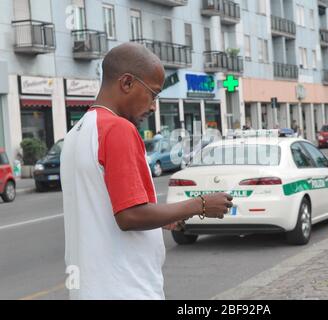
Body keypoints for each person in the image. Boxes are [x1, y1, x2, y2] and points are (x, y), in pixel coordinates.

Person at [60, 42, 233, 300]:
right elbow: (129, 215)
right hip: (125, 288)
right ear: (127, 83)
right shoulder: (118, 129)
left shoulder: (76, 133)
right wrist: (201, 205)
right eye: (153, 94)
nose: (153, 106)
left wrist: (163, 217)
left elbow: (106, 209)